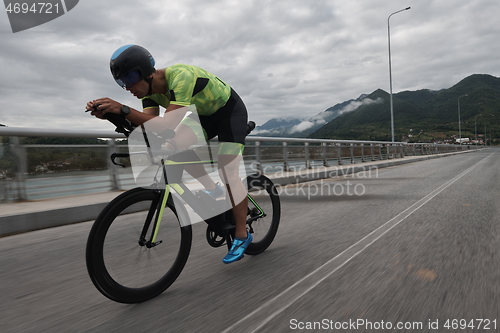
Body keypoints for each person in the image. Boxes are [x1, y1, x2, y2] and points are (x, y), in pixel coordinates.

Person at [86, 44, 251, 264]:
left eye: (130, 78)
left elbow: (168, 125)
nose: (127, 87)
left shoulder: (180, 76)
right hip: (202, 117)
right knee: (173, 147)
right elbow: (151, 127)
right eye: (121, 82)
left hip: (229, 112)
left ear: (145, 71)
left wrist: (123, 109)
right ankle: (213, 190)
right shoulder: (149, 93)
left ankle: (242, 234)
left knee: (227, 171)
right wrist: (111, 115)